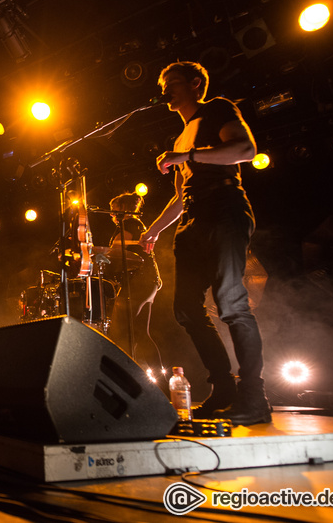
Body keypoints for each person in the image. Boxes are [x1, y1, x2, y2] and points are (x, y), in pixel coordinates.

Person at [139, 61, 270, 426]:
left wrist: (189, 156)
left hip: (225, 208)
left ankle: (254, 398)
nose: (166, 90)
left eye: (174, 83)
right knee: (186, 308)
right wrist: (155, 229)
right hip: (195, 219)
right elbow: (182, 197)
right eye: (163, 84)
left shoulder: (218, 109)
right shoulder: (178, 140)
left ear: (196, 84)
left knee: (230, 301)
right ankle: (224, 389)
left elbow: (244, 149)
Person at [101, 193, 162, 364]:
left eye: (114, 210)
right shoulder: (138, 224)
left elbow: (117, 248)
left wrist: (94, 252)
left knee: (121, 330)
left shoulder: (128, 223)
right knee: (141, 334)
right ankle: (161, 382)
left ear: (123, 208)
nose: (111, 215)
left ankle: (125, 375)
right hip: (149, 282)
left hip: (139, 282)